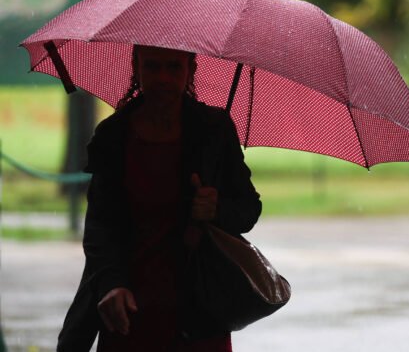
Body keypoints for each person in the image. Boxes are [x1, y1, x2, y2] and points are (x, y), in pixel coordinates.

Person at [57, 45, 262, 352]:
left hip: (197, 307)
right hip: (127, 303)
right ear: (136, 68)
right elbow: (101, 225)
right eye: (152, 67)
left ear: (190, 70)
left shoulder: (213, 130)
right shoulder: (113, 135)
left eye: (173, 67)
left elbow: (248, 210)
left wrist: (215, 209)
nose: (163, 77)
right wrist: (112, 283)